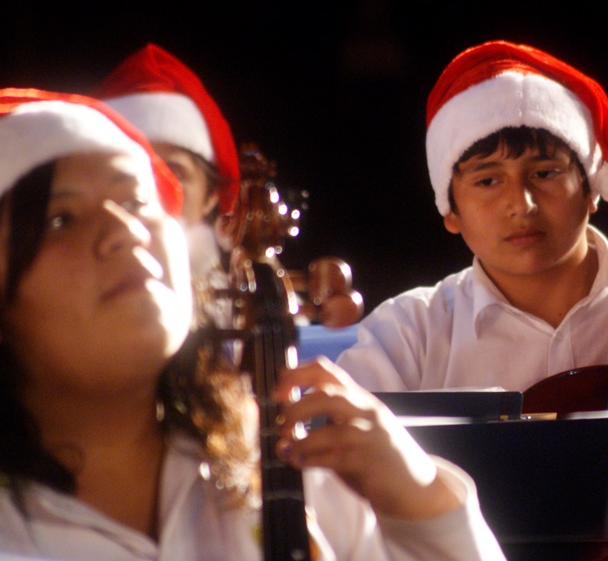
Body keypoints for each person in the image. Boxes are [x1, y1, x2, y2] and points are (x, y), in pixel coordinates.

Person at [0, 88, 505, 560]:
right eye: (60, 219)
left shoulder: (292, 462)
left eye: (137, 202)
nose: (125, 230)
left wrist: (418, 500)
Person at [336, 40, 608, 394]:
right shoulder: (407, 334)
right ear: (451, 211)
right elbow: (336, 444)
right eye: (488, 181)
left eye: (544, 173)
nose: (522, 205)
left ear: (591, 189)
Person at [93, 43, 362, 328]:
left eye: (174, 173)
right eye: (131, 172)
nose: (149, 191)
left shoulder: (236, 303)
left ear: (211, 195)